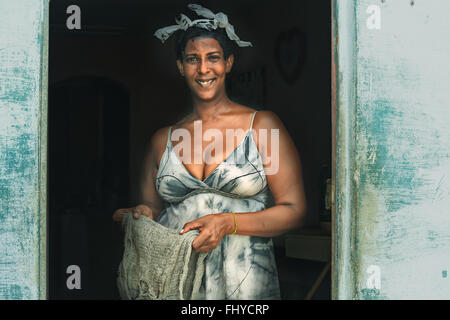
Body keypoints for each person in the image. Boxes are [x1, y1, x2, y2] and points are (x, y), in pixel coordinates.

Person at [113, 4, 306, 300]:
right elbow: (153, 212)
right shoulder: (161, 141)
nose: (203, 69)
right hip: (177, 287)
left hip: (245, 285)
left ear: (228, 62)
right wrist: (142, 215)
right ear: (181, 66)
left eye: (213, 58)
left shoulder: (262, 126)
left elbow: (294, 211)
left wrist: (229, 223)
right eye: (193, 59)